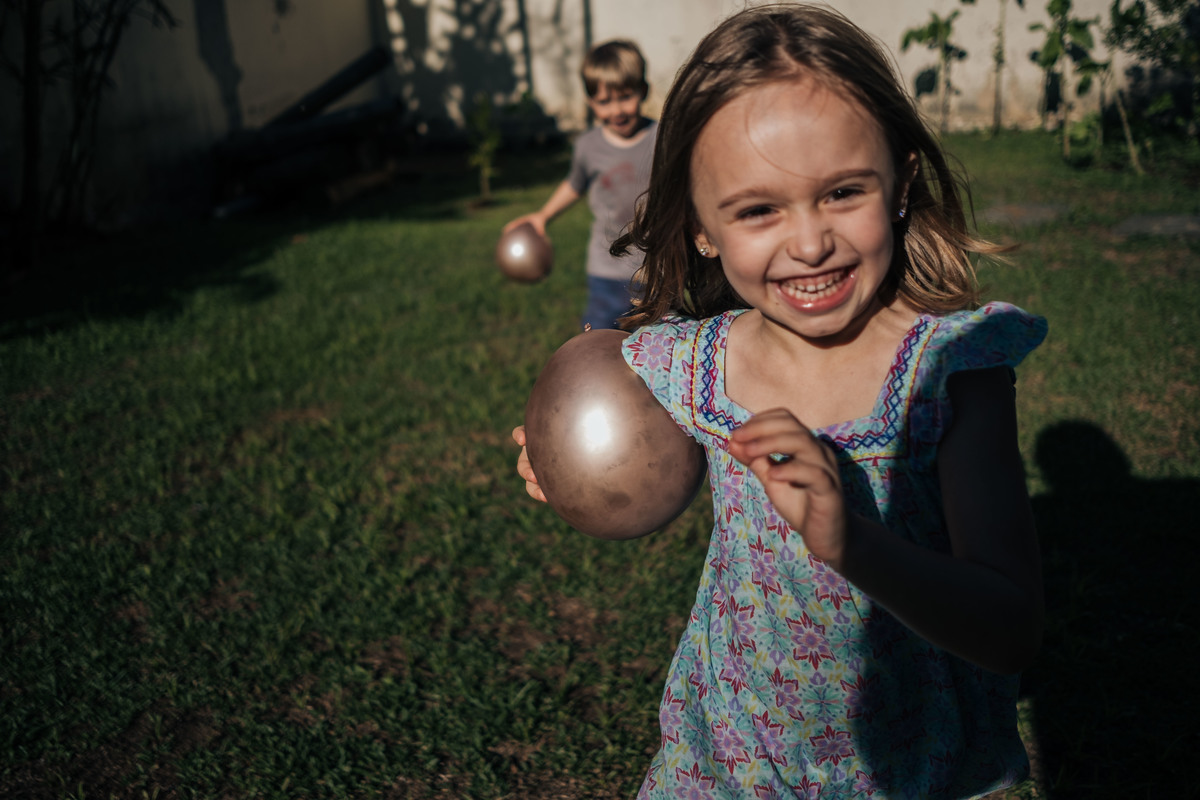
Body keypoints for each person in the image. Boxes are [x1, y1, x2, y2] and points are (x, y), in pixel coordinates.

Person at [514, 4, 1047, 798]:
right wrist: (553, 456)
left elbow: (1011, 630)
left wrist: (855, 544)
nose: (808, 242)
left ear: (900, 183)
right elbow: (587, 408)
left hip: (905, 769)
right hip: (729, 757)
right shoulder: (694, 362)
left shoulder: (949, 370)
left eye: (841, 192)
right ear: (700, 227)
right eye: (759, 209)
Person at [503, 39, 656, 331]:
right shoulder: (589, 146)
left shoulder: (662, 138)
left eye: (626, 97)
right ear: (590, 102)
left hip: (656, 270)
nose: (617, 110)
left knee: (662, 350)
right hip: (606, 271)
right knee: (599, 343)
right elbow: (574, 185)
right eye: (604, 101)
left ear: (644, 91)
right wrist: (543, 216)